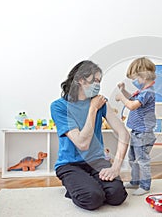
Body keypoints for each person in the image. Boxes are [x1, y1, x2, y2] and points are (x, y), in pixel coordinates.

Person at [50, 60, 129, 210]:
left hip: (97, 161)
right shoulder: (59, 106)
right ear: (80, 79)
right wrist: (92, 108)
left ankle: (87, 183)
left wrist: (116, 167)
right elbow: (82, 143)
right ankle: (76, 187)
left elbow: (123, 133)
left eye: (100, 81)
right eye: (95, 81)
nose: (98, 85)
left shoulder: (102, 103)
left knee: (118, 195)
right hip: (70, 164)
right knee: (92, 198)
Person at [115, 57, 156, 196]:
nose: (135, 81)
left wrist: (121, 97)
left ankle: (145, 186)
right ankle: (135, 181)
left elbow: (131, 105)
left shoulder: (147, 93)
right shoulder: (141, 92)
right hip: (137, 132)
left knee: (142, 160)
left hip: (143, 133)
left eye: (135, 78)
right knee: (132, 159)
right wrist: (123, 91)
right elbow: (132, 99)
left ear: (143, 76)